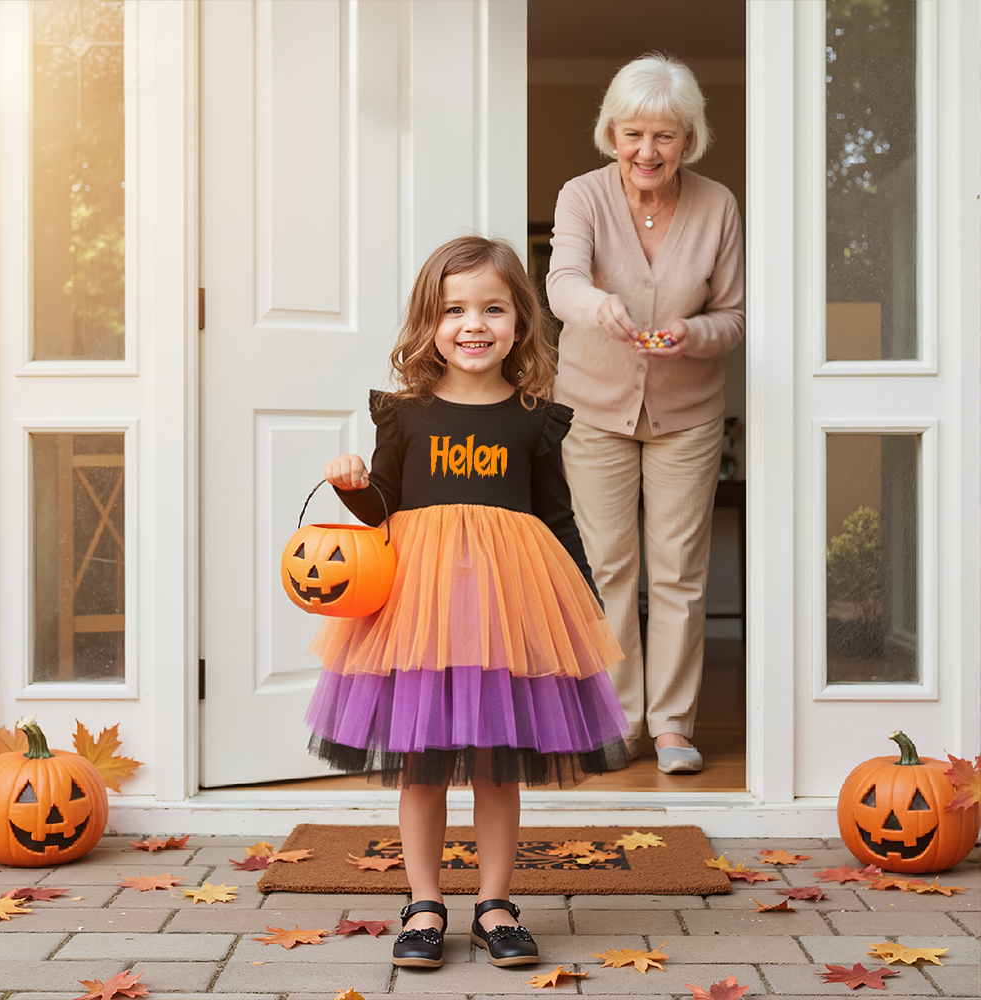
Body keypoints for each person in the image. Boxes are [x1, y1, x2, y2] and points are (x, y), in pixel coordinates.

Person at [303, 236, 628, 971]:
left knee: (497, 766)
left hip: (508, 615)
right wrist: (355, 486)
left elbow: (556, 516)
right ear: (430, 322)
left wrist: (583, 599)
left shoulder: (534, 417)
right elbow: (383, 507)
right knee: (419, 766)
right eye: (453, 310)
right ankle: (424, 904)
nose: (472, 324)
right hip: (418, 616)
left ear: (520, 323)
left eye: (492, 309)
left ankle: (495, 904)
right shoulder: (405, 414)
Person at [546, 53, 744, 775]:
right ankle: (618, 721)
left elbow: (734, 316)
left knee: (679, 571)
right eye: (632, 134)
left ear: (688, 137)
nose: (647, 151)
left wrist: (695, 333)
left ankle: (673, 726)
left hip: (687, 414)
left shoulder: (718, 205)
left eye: (663, 135)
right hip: (593, 410)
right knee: (608, 568)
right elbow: (562, 280)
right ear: (611, 133)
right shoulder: (582, 196)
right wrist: (599, 307)